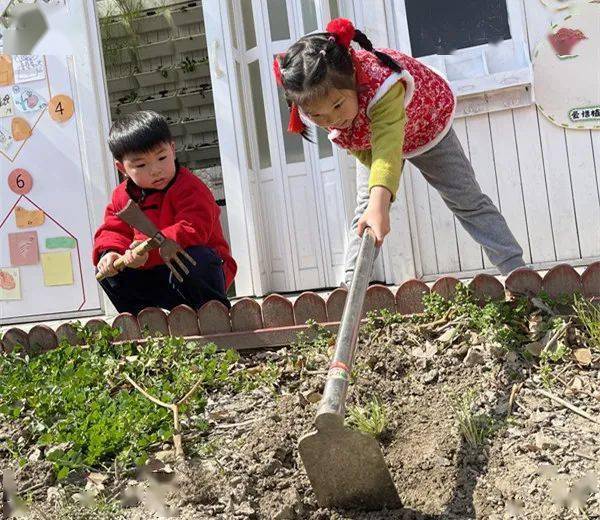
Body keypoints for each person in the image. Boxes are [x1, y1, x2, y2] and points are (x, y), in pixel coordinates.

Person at [273, 18, 525, 285]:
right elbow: (362, 150)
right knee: (365, 209)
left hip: (425, 124)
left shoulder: (384, 87)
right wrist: (375, 200)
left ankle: (518, 274)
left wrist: (380, 204)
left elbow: (388, 149)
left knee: (466, 200)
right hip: (373, 139)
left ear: (353, 80)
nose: (331, 119)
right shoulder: (318, 105)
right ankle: (350, 286)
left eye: (337, 106)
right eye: (319, 116)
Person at [93, 110, 236, 315]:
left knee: (196, 256)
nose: (155, 170)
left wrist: (144, 251)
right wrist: (111, 253)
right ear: (121, 168)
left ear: (173, 149)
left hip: (193, 273)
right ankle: (146, 321)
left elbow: (193, 228)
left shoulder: (190, 187)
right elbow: (113, 230)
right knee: (107, 271)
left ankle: (212, 313)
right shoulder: (121, 197)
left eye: (161, 158)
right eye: (141, 164)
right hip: (152, 274)